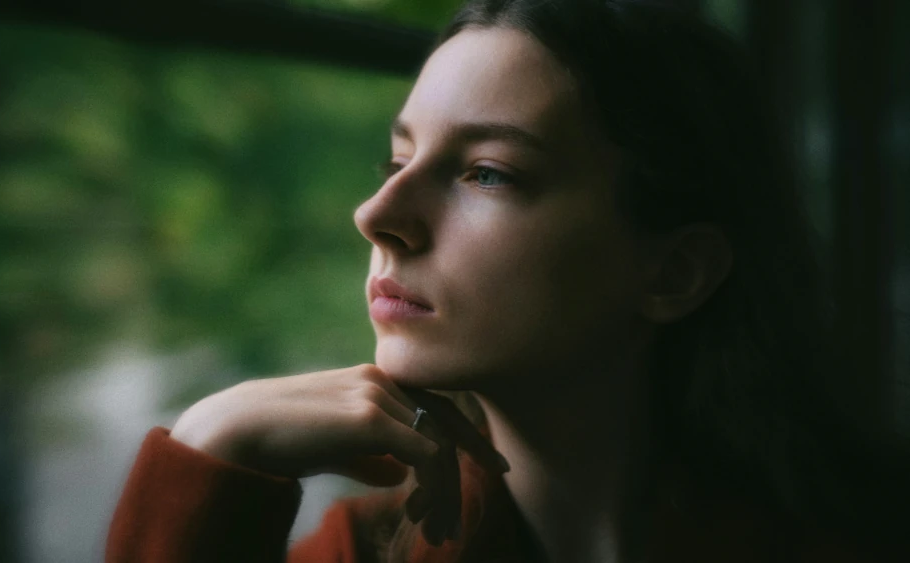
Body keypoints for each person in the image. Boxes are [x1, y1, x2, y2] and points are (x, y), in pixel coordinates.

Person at [106, 1, 910, 562]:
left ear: (674, 270)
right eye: (395, 161)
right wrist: (211, 450)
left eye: (487, 173)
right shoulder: (359, 554)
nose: (376, 212)